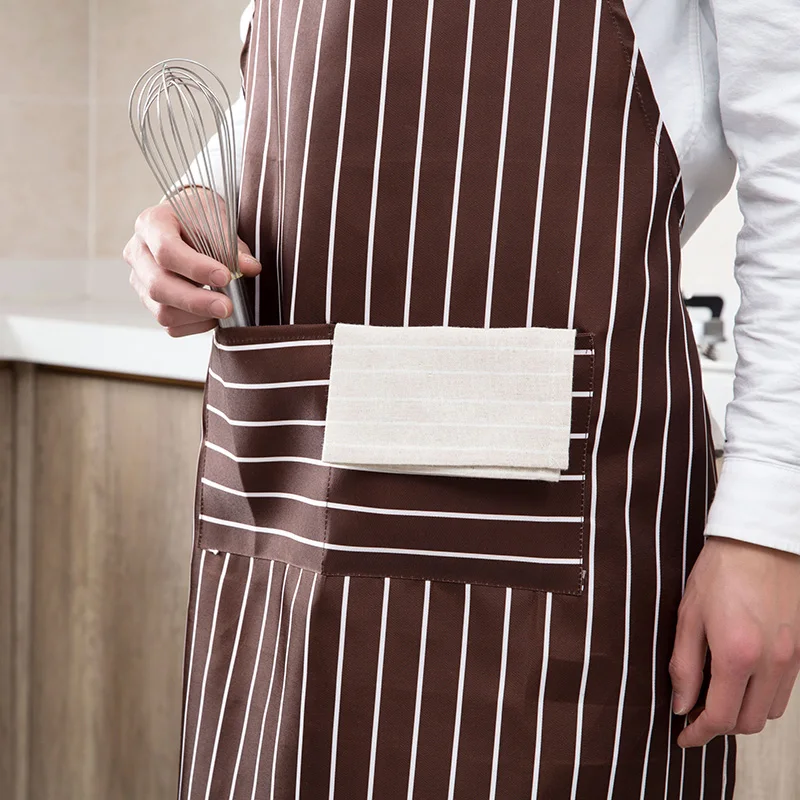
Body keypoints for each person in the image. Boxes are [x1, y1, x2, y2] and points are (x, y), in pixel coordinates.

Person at [124, 1, 800, 797]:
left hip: (554, 532)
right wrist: (202, 197)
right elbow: (299, 84)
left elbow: (790, 152)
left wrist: (769, 518)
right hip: (291, 504)